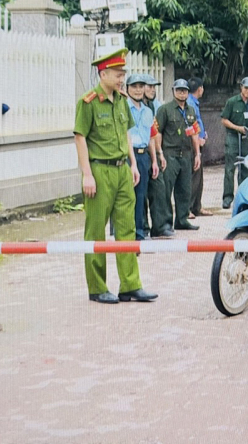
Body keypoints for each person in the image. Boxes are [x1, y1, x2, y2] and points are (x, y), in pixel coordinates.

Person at [74, 49, 157, 304]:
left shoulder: (122, 101)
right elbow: (80, 138)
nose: (122, 79)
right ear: (104, 73)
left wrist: (133, 164)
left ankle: (130, 284)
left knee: (127, 228)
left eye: (123, 75)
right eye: (118, 75)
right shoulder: (88, 102)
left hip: (122, 171)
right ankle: (97, 287)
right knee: (96, 230)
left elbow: (126, 134)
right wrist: (87, 174)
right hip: (99, 171)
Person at [150, 79, 202, 235]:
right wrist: (160, 154)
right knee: (166, 189)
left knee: (185, 189)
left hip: (186, 154)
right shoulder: (165, 110)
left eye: (185, 90)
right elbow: (157, 132)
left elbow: (194, 133)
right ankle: (165, 224)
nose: (182, 93)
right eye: (179, 90)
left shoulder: (191, 110)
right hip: (170, 154)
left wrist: (197, 154)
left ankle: (182, 220)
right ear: (173, 91)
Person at [126, 73, 160, 240]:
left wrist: (154, 160)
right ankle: (125, 234)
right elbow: (125, 136)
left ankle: (139, 233)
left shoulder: (148, 111)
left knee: (141, 196)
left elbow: (151, 138)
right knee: (126, 196)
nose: (138, 90)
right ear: (127, 89)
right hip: (127, 156)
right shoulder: (122, 109)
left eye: (141, 87)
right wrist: (132, 162)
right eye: (134, 86)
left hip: (143, 156)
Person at [220, 77, 248, 209]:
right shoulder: (232, 102)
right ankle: (227, 197)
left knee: (246, 167)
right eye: (246, 88)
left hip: (246, 139)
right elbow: (224, 119)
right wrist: (238, 128)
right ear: (241, 87)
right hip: (233, 136)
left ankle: (244, 196)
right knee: (230, 168)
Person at [187, 76, 212, 219]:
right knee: (193, 177)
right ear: (200, 88)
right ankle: (189, 208)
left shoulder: (194, 102)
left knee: (199, 178)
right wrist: (198, 139)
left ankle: (197, 206)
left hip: (200, 141)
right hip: (194, 144)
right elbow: (191, 125)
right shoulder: (190, 103)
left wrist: (204, 133)